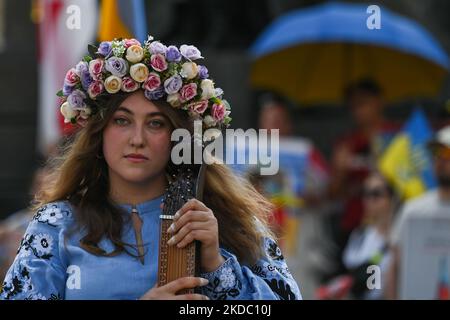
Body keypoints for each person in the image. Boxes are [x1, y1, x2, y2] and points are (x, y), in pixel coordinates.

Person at [0, 36, 301, 300]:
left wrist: (217, 264)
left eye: (155, 123)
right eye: (122, 120)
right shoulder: (56, 225)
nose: (137, 139)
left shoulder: (226, 220)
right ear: (100, 132)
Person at [386, 125, 450, 299]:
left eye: (447, 154)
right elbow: (394, 265)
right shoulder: (412, 209)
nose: (440, 160)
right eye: (436, 153)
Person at [317, 172, 397, 300]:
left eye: (376, 194)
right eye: (365, 193)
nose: (369, 200)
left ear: (391, 198)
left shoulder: (399, 240)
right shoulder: (359, 235)